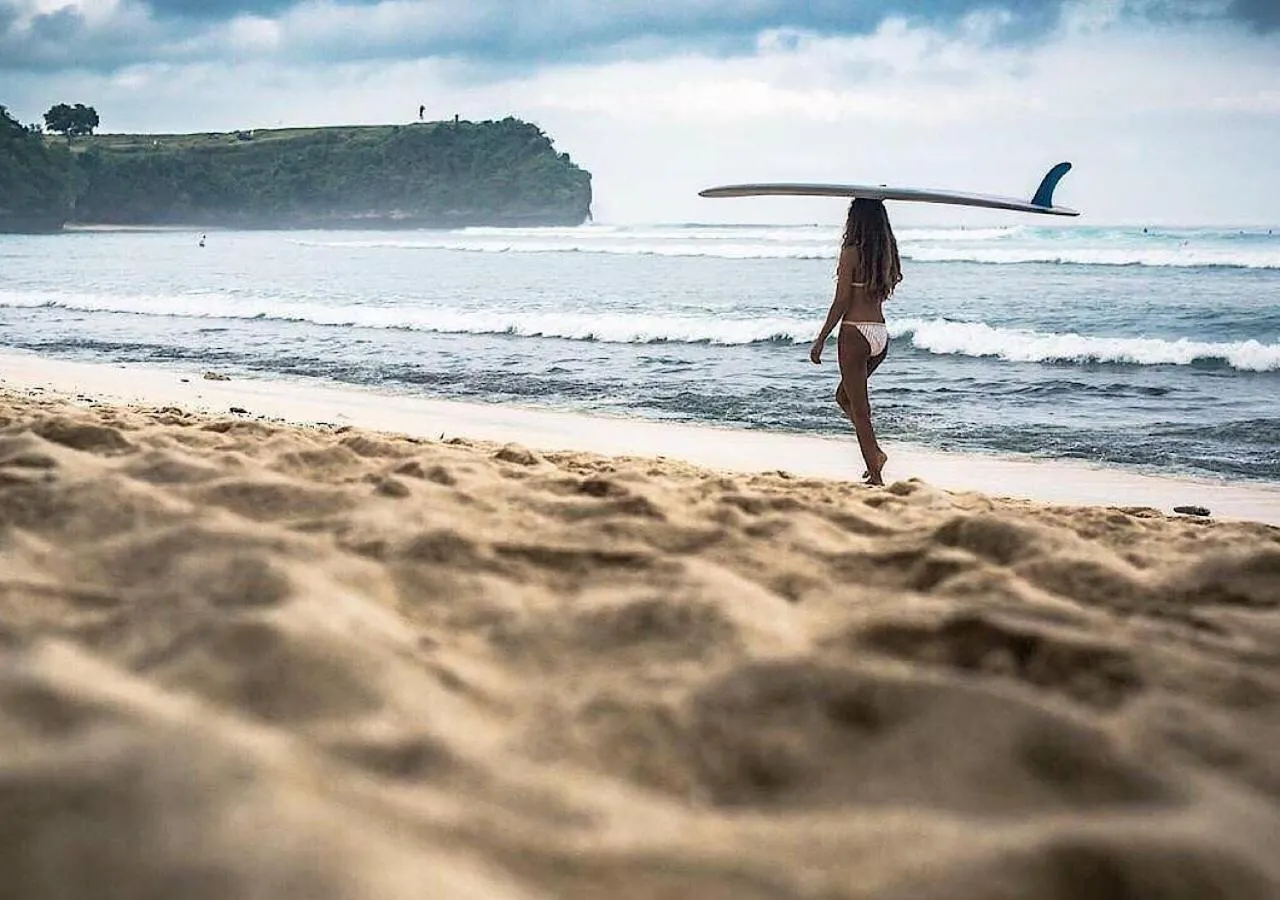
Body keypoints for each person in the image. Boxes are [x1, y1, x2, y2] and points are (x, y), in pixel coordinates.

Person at [809, 199, 902, 485]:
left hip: (855, 333)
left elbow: (842, 301)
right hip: (880, 334)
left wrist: (821, 338)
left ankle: (875, 474)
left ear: (855, 220)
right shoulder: (887, 254)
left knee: (860, 412)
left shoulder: (850, 253)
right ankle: (875, 452)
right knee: (844, 398)